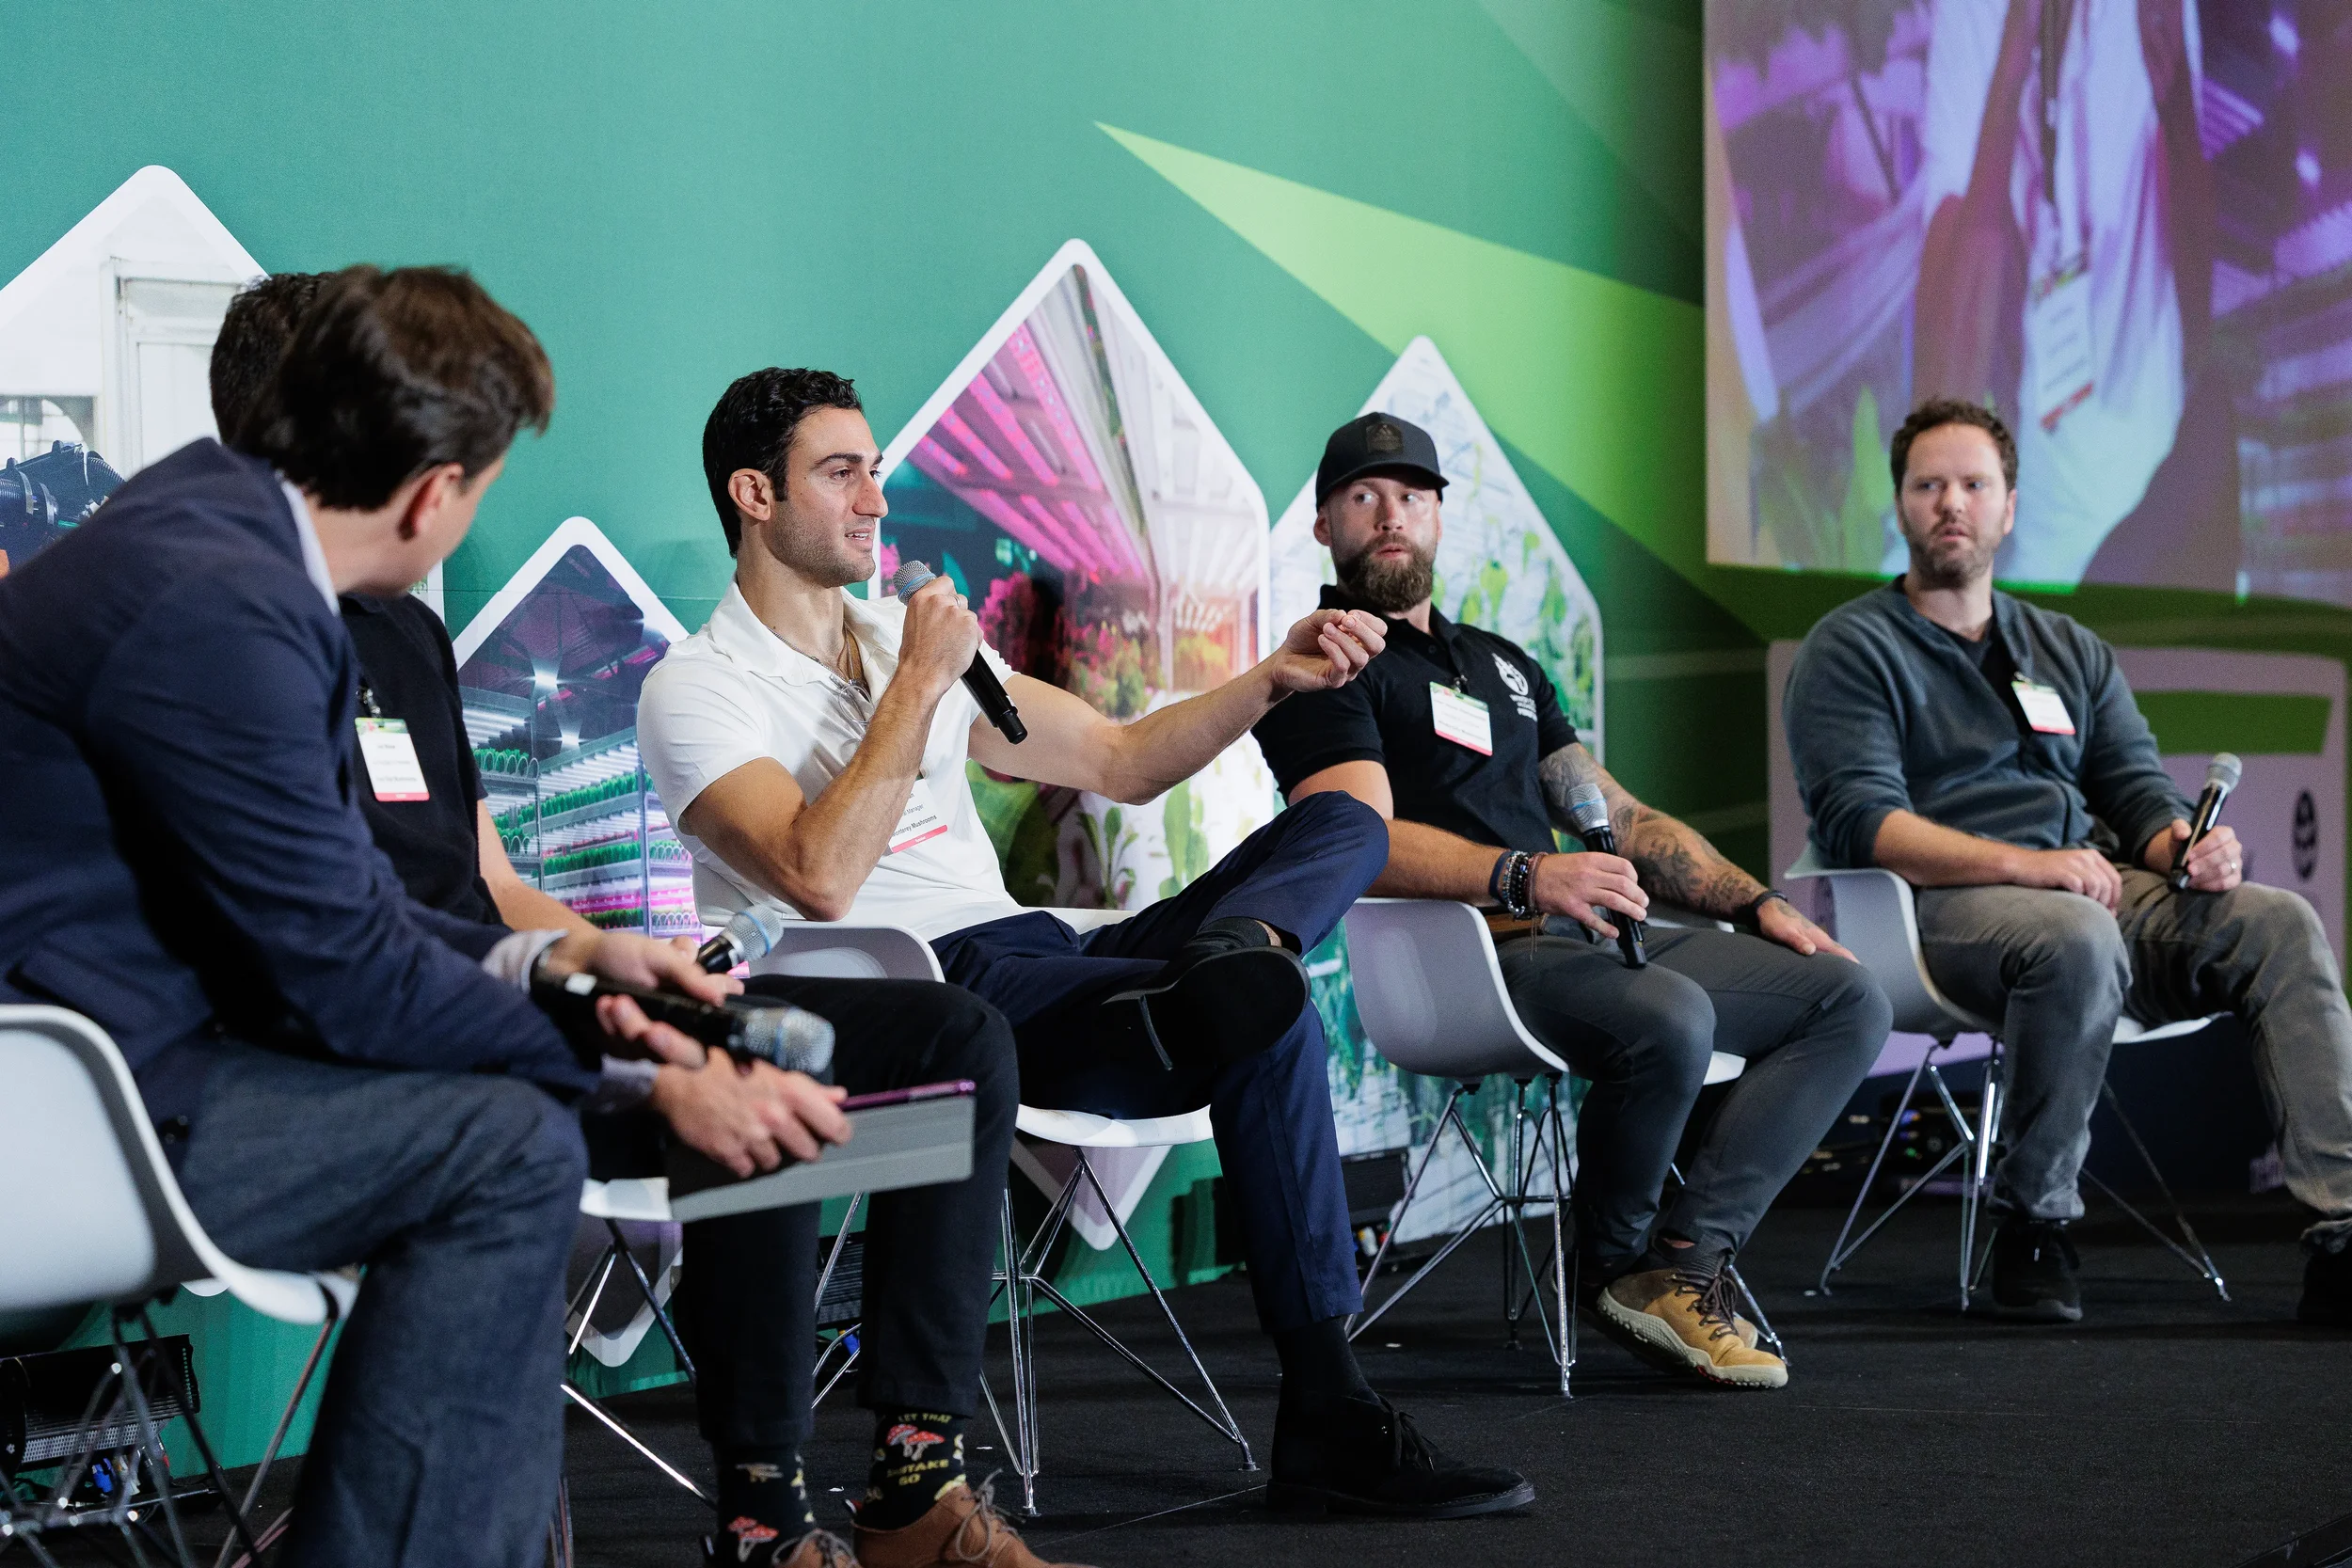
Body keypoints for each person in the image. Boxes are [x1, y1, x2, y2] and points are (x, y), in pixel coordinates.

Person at [0, 266, 853, 1568]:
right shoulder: (222, 603)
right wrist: (637, 1060)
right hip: (84, 1095)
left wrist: (561, 958)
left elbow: (340, 907)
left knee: (525, 1125)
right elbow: (341, 966)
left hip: (157, 1035)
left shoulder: (222, 546)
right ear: (431, 490)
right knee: (506, 1147)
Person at [206, 277, 1037, 1568]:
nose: (460, 487)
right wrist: (594, 997)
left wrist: (617, 952)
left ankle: (912, 1478)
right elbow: (319, 930)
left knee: (948, 1035)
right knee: (758, 1064)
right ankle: (763, 1510)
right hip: (389, 1021)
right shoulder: (224, 628)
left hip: (494, 976)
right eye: (442, 438)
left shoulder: (405, 638)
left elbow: (479, 873)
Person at [638, 368, 1536, 1522]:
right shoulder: (701, 685)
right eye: (839, 469)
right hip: (925, 984)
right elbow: (817, 876)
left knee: (1338, 826)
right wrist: (916, 683)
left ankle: (1326, 1398)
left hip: (1046, 951)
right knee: (1263, 1022)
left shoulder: (904, 638)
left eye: (874, 465)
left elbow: (1119, 758)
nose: (874, 495)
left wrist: (1272, 680)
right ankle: (1323, 1385)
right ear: (754, 494)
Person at [1251, 412, 1891, 1390]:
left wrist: (1752, 898)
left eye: (1411, 495)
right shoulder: (1325, 662)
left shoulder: (1502, 664)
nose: (1391, 515)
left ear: (1436, 516)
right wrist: (1524, 873)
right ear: (1322, 523)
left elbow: (1612, 812)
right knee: (1670, 1017)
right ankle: (1613, 1263)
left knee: (1848, 997)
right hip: (1466, 956)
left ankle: (1680, 1262)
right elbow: (1344, 834)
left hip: (1587, 934)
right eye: (1363, 496)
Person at [1785, 397, 2352, 1325]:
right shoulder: (1852, 646)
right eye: (1928, 485)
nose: (1950, 504)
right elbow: (1858, 821)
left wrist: (2187, 847)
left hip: (2087, 887)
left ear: (2009, 506)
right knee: (2076, 933)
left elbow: (2135, 793)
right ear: (1898, 505)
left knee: (2277, 922)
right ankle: (2033, 1220)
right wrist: (2026, 863)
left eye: (1974, 484)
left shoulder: (2067, 648)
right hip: (1932, 908)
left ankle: (2340, 1233)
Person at [1911, 0, 2233, 590]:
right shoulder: (1977, 17)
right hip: (2136, 473)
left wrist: (2179, 111)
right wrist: (2016, 48)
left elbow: (1947, 382)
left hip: (2128, 484)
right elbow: (1945, 380)